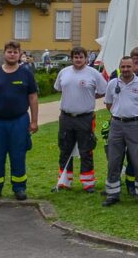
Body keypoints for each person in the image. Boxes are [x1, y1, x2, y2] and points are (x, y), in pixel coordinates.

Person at [0, 41, 39, 205]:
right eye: (9, 51)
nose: (12, 54)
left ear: (20, 54)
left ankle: (19, 188)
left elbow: (33, 98)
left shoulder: (26, 74)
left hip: (19, 122)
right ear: (4, 53)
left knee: (18, 155)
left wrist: (34, 121)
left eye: (15, 52)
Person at [53, 46, 107, 193]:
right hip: (66, 117)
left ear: (86, 58)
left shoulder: (93, 73)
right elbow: (58, 88)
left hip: (85, 118)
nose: (78, 59)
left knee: (86, 150)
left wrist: (91, 97)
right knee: (65, 149)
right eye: (75, 57)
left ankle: (88, 183)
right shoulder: (64, 72)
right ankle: (64, 182)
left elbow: (103, 90)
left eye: (81, 57)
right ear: (72, 58)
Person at [102, 56, 138, 207]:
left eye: (128, 66)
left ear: (133, 67)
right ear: (120, 67)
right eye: (123, 67)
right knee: (114, 160)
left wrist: (134, 116)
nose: (125, 69)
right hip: (116, 125)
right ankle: (112, 194)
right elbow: (109, 104)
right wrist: (119, 114)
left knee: (137, 160)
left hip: (135, 125)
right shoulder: (112, 83)